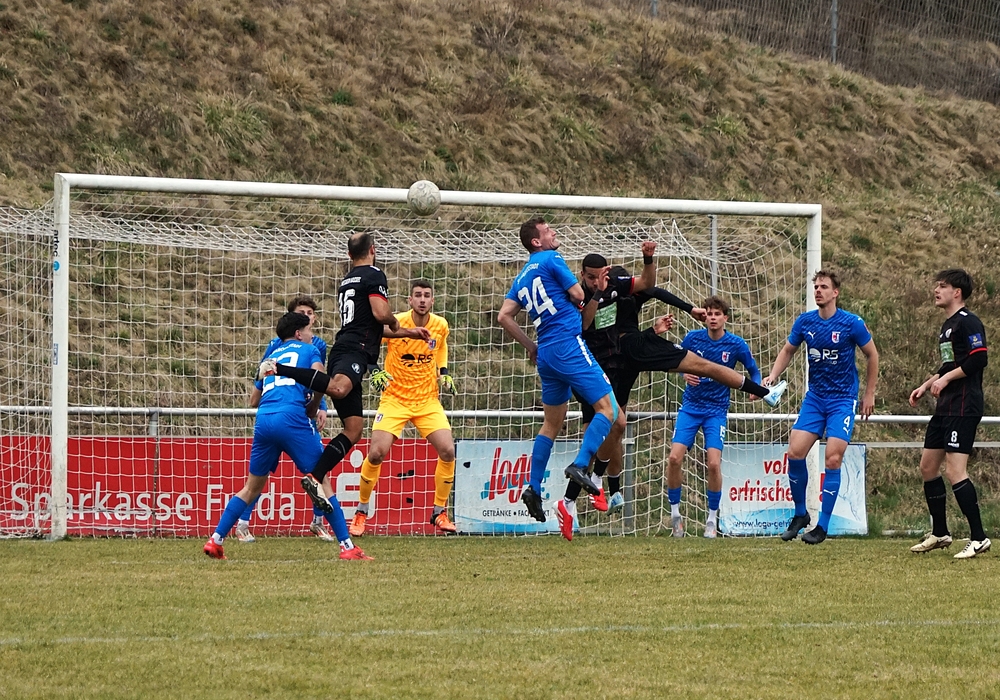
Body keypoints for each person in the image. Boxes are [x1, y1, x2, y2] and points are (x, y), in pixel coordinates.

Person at [258, 232, 430, 516]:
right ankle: (277, 368)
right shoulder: (374, 274)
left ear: (350, 255)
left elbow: (368, 325)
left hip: (352, 348)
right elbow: (380, 315)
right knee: (338, 388)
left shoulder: (348, 280)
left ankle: (315, 477)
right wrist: (395, 320)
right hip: (354, 351)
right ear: (373, 250)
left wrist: (409, 332)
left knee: (354, 429)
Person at [203, 312, 371, 560]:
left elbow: (253, 399)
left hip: (264, 419)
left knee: (251, 487)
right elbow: (320, 381)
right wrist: (314, 405)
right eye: (309, 330)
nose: (312, 335)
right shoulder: (310, 349)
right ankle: (347, 546)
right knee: (321, 481)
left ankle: (215, 540)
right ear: (298, 333)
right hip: (292, 418)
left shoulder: (271, 356)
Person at [497, 218, 626, 523]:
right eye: (547, 231)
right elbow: (579, 295)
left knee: (551, 424)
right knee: (608, 410)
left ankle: (533, 486)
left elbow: (504, 316)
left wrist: (531, 346)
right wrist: (591, 293)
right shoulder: (551, 258)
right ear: (536, 242)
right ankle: (581, 465)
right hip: (568, 344)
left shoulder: (522, 276)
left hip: (546, 353)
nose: (553, 232)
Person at [764, 269, 879, 545]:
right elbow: (788, 350)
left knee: (833, 459)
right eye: (816, 286)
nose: (818, 290)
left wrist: (869, 394)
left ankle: (822, 526)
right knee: (794, 452)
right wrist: (773, 375)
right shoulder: (805, 322)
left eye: (824, 287)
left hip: (842, 400)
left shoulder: (851, 323)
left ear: (835, 292)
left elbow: (872, 354)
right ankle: (800, 514)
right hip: (815, 398)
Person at [554, 254, 656, 540]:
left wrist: (649, 259)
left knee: (596, 437)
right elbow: (584, 324)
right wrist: (597, 292)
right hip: (584, 367)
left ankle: (569, 501)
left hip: (607, 367)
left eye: (600, 276)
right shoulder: (576, 294)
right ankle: (595, 482)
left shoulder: (614, 284)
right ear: (582, 275)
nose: (595, 281)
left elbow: (648, 283)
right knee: (617, 423)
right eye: (590, 277)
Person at [349, 280, 459, 537]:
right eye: (417, 295)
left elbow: (441, 346)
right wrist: (374, 368)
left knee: (448, 451)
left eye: (427, 295)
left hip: (427, 400)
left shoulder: (440, 325)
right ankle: (361, 512)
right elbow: (370, 341)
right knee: (376, 453)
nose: (422, 299)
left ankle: (439, 512)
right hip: (395, 399)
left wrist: (443, 372)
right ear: (410, 300)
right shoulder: (396, 323)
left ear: (432, 301)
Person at [235, 296, 338, 544]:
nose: (307, 316)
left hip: (301, 411)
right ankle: (243, 523)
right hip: (281, 408)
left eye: (310, 313)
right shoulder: (276, 344)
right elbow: (264, 373)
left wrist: (321, 407)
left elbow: (317, 379)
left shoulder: (318, 344)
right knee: (260, 477)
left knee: (317, 469)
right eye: (302, 313)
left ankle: (318, 522)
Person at [908, 269, 990, 559]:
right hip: (946, 407)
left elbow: (979, 359)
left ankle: (979, 538)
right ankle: (940, 533)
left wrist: (945, 381)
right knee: (928, 467)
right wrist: (926, 384)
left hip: (964, 406)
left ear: (957, 292)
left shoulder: (969, 322)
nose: (936, 290)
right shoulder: (947, 326)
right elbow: (947, 367)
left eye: (942, 286)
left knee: (955, 471)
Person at [666, 296, 761, 539]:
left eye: (717, 314)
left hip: (716, 410)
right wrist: (684, 374)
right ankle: (675, 517)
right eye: (709, 314)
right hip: (691, 407)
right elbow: (676, 362)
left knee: (714, 464)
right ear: (705, 317)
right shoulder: (692, 339)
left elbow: (754, 370)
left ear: (725, 318)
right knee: (674, 458)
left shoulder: (736, 344)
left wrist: (757, 388)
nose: (713, 318)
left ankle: (711, 520)